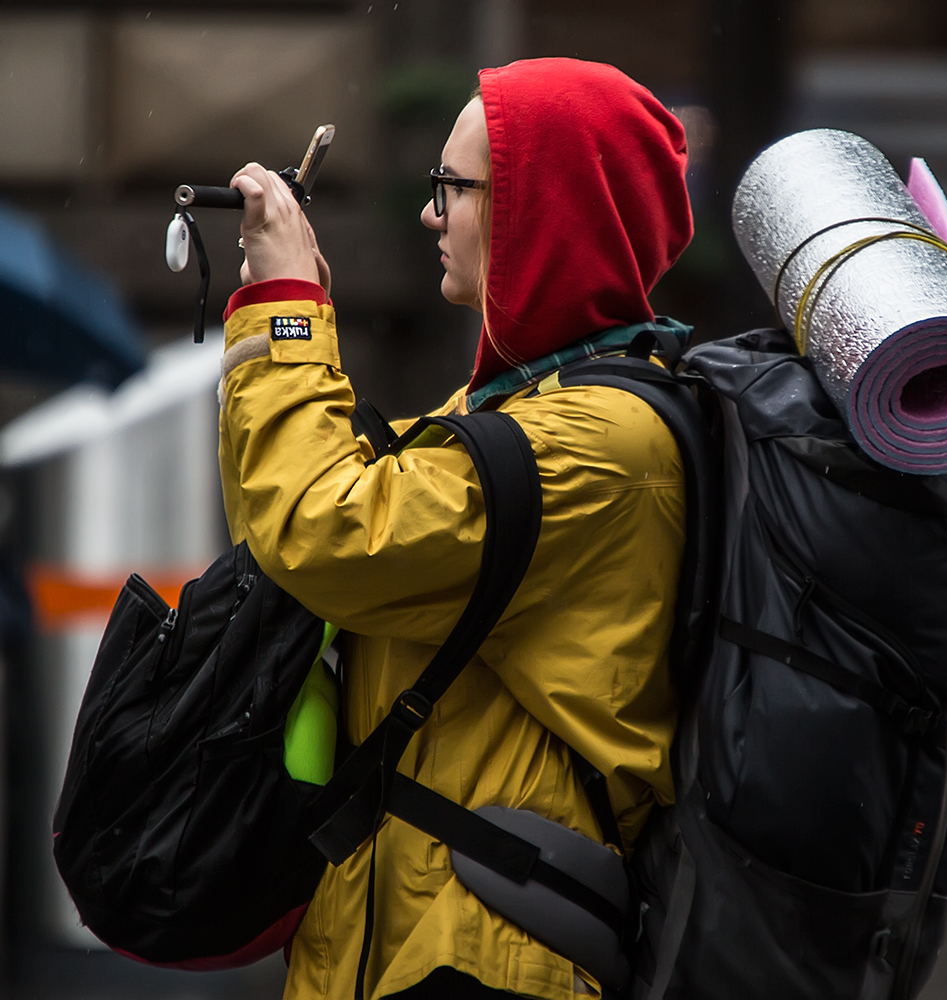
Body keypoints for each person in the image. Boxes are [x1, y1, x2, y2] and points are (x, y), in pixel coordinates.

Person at [220, 59, 693, 999]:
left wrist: (283, 320)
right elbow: (328, 503)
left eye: (456, 187)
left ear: (541, 208)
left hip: (479, 951)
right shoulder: (523, 408)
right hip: (420, 928)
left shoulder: (600, 444)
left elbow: (327, 532)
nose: (430, 214)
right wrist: (300, 315)